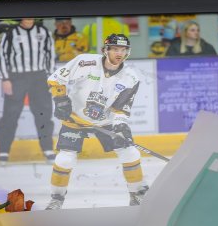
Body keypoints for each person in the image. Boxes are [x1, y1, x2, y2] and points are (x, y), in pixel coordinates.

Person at [45, 33, 148, 209]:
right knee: (65, 160)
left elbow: (121, 107)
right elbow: (56, 79)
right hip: (75, 119)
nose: (119, 53)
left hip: (106, 122)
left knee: (130, 153)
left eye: (123, 50)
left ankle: (137, 195)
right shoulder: (85, 61)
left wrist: (120, 126)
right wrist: (60, 99)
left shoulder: (131, 77)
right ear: (105, 50)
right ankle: (56, 199)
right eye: (115, 49)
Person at [0, 18, 56, 163]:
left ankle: (48, 149)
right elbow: (2, 56)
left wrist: (51, 76)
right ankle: (3, 151)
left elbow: (50, 55)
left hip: (39, 77)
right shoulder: (10, 33)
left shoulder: (44, 32)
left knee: (43, 113)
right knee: (10, 114)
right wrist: (5, 78)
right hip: (17, 78)